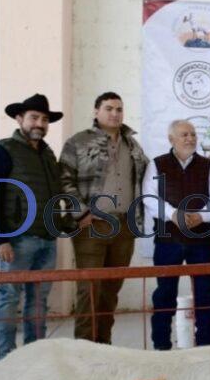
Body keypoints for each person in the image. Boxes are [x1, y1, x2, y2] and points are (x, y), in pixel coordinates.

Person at [59, 92, 149, 344]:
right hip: (92, 225)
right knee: (89, 289)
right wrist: (80, 211)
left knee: (110, 291)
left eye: (119, 109)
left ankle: (103, 346)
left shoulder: (132, 144)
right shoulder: (78, 142)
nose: (115, 113)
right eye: (109, 108)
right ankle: (84, 350)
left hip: (124, 226)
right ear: (96, 111)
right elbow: (63, 178)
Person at [0, 93, 64, 360]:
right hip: (16, 240)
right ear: (20, 119)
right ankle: (4, 358)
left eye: (44, 119)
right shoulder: (2, 150)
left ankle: (34, 357)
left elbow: (55, 195)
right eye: (34, 118)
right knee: (9, 296)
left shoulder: (48, 154)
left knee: (38, 299)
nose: (39, 123)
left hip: (47, 237)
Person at [143, 120, 210, 350]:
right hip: (168, 240)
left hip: (200, 240)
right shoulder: (157, 165)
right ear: (171, 139)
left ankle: (206, 345)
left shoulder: (209, 165)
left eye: (193, 134)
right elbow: (148, 197)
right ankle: (161, 346)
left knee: (206, 292)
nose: (190, 138)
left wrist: (201, 216)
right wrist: (173, 214)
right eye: (184, 134)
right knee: (165, 293)